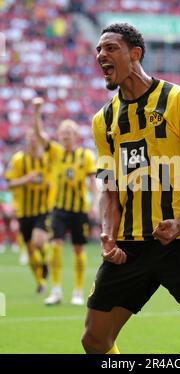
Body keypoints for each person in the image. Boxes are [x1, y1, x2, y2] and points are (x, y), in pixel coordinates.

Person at [81, 23, 180, 354]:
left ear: (135, 54)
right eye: (99, 50)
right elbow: (109, 187)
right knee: (94, 338)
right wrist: (108, 234)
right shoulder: (104, 120)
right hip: (130, 243)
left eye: (110, 48)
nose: (101, 55)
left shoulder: (178, 99)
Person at [32, 98, 98, 306]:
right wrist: (37, 111)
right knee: (56, 246)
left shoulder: (85, 156)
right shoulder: (55, 153)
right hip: (59, 209)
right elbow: (38, 135)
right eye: (62, 134)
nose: (65, 137)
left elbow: (92, 183)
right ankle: (57, 290)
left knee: (79, 249)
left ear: (76, 136)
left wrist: (95, 204)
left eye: (69, 134)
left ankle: (78, 291)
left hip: (79, 210)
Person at [4, 100, 51, 293]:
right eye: (29, 138)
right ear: (26, 141)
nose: (33, 141)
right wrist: (26, 179)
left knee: (39, 241)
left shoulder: (47, 160)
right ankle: (40, 282)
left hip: (43, 209)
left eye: (35, 138)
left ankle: (46, 262)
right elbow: (10, 183)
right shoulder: (18, 160)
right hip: (25, 210)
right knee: (31, 248)